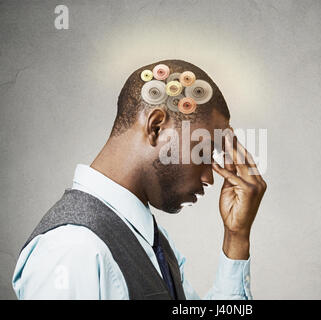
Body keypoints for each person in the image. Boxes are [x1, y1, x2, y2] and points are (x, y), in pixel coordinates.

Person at [12, 59, 266, 299]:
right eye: (204, 151)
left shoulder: (151, 240)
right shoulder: (73, 248)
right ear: (156, 127)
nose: (211, 177)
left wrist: (236, 236)